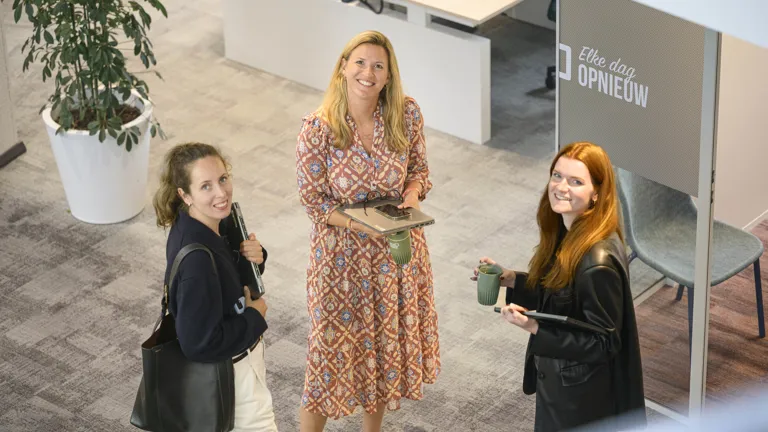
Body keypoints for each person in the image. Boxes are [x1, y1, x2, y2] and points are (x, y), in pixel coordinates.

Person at [295, 30, 440, 432]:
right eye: (359, 62)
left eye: (378, 66)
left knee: (380, 351)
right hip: (340, 261)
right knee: (327, 358)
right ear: (343, 67)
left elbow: (419, 172)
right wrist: (363, 224)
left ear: (389, 76)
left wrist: (412, 194)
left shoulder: (405, 114)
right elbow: (314, 203)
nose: (368, 72)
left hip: (395, 255)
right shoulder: (318, 129)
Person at [471, 142, 646, 431]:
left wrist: (535, 327)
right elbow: (564, 293)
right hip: (567, 383)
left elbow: (604, 343)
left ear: (596, 194)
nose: (561, 187)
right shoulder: (572, 230)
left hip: (580, 398)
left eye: (576, 181)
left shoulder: (596, 262)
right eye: (557, 175)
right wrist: (512, 278)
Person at [153, 142, 278, 431]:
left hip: (237, 369)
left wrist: (254, 260)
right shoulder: (197, 261)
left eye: (222, 179)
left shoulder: (206, 224)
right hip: (232, 380)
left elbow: (225, 280)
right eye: (206, 186)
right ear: (185, 195)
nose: (221, 193)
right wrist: (254, 316)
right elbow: (199, 344)